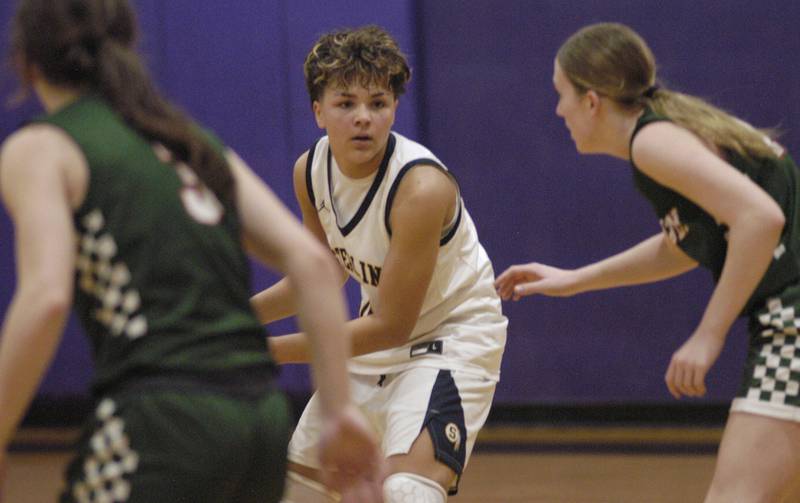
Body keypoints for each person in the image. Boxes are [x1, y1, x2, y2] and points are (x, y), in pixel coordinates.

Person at [0, 1, 383, 502]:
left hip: (162, 415)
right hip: (261, 421)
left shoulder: (41, 147)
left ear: (25, 61)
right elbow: (312, 265)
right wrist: (338, 411)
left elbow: (46, 297)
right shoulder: (190, 141)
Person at [495, 22, 800, 503]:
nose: (559, 110)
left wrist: (708, 334)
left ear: (591, 100)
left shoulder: (653, 143)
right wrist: (577, 280)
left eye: (562, 95)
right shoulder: (667, 132)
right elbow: (683, 244)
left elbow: (761, 220)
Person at [250, 25, 507, 503]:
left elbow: (393, 325)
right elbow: (320, 275)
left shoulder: (421, 189)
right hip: (378, 340)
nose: (363, 117)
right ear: (318, 112)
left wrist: (262, 351)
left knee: (406, 491)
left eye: (378, 102)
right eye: (346, 103)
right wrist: (235, 323)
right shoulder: (310, 171)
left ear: (394, 108)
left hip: (452, 338)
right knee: (298, 491)